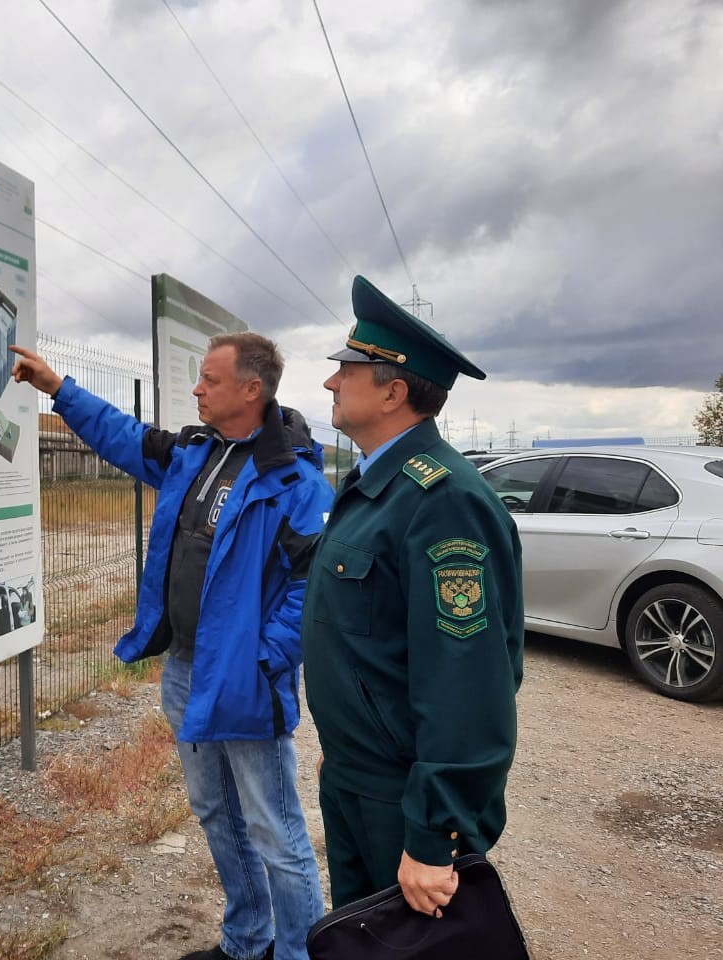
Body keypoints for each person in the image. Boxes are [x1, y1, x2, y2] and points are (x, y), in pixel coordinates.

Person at [12, 334, 332, 960]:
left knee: (274, 827)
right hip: (186, 670)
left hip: (244, 682)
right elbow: (124, 437)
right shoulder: (194, 452)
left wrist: (265, 658)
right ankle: (247, 939)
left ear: (251, 389)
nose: (197, 389)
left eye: (210, 379)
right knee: (215, 810)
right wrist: (58, 389)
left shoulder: (296, 481)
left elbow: (310, 591)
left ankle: (298, 953)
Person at [301, 275, 524, 916]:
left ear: (393, 391)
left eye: (347, 368)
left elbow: (469, 682)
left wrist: (435, 832)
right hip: (356, 779)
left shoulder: (443, 500)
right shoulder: (377, 485)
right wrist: (342, 755)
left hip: (402, 799)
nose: (330, 382)